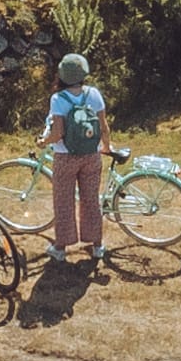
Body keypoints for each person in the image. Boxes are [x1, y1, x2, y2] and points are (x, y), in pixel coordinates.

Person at [45, 51, 109, 264]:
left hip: (65, 157)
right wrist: (106, 146)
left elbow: (58, 133)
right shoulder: (94, 94)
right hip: (91, 154)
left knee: (63, 201)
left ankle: (61, 247)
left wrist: (42, 142)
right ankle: (97, 244)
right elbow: (103, 126)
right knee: (91, 199)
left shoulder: (58, 99)